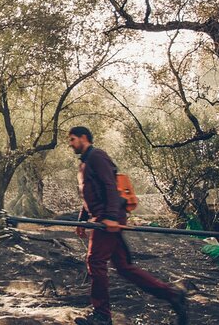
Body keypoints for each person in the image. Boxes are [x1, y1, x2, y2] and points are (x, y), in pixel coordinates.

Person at [68, 126, 188, 325]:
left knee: (95, 261)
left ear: (84, 138)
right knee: (123, 267)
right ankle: (173, 294)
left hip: (106, 220)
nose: (70, 144)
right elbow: (88, 195)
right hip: (102, 219)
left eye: (72, 139)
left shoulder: (97, 156)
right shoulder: (85, 163)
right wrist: (82, 220)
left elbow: (110, 187)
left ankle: (102, 317)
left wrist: (112, 218)